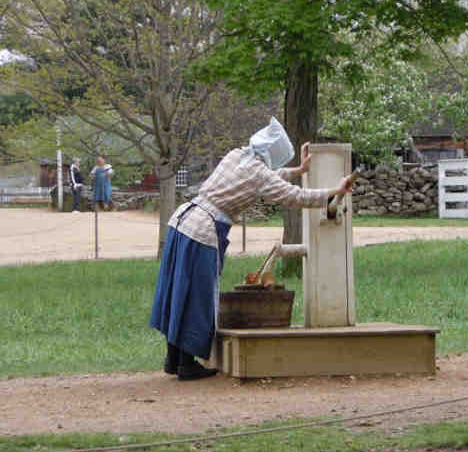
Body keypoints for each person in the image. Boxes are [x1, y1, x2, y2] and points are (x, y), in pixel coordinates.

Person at [149, 117, 354, 381]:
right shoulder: (259, 174)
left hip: (182, 222)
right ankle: (187, 365)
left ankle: (174, 359)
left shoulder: (237, 156)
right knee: (197, 295)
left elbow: (264, 179)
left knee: (178, 291)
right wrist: (334, 191)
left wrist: (298, 170)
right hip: (201, 231)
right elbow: (294, 196)